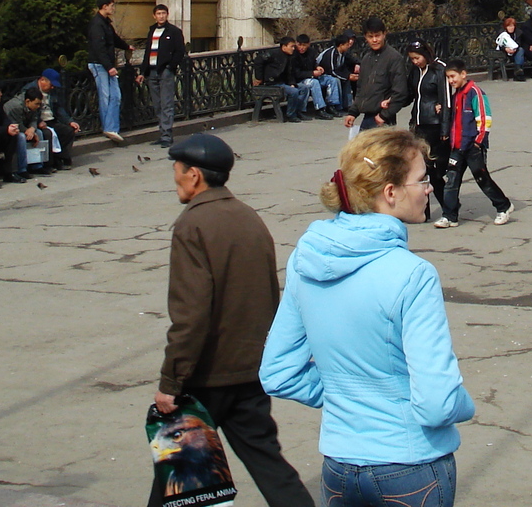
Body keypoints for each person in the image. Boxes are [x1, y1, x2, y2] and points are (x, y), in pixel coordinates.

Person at [261, 130, 474, 507]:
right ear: (390, 192)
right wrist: (465, 405)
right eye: (423, 179)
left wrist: (347, 397)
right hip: (411, 464)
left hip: (341, 465)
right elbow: (437, 402)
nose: (429, 188)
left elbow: (278, 371)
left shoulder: (304, 260)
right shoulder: (412, 273)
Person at [156, 134, 313, 507]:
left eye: (177, 172)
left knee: (179, 474)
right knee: (269, 463)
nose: (175, 179)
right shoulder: (247, 216)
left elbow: (191, 314)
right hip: (251, 370)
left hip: (206, 376)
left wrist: (171, 380)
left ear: (193, 175)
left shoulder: (192, 225)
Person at [436, 60, 514, 227]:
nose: (451, 81)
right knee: (451, 180)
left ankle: (503, 206)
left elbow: (484, 118)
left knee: (482, 178)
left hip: (473, 146)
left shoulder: (474, 92)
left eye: (453, 76)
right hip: (457, 146)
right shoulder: (455, 95)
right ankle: (449, 216)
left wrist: (479, 142)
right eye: (448, 78)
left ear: (463, 74)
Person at [406, 42, 452, 218]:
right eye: (412, 59)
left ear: (426, 54)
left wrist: (444, 129)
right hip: (418, 124)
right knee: (420, 170)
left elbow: (446, 100)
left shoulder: (439, 70)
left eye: (417, 58)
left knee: (436, 172)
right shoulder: (415, 71)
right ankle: (423, 211)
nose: (415, 62)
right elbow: (411, 95)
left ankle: (448, 208)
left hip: (435, 125)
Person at [344, 18, 410, 132]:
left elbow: (400, 92)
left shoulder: (394, 58)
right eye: (370, 36)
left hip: (383, 120)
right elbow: (361, 89)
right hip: (367, 118)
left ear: (384, 34)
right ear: (365, 37)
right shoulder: (366, 58)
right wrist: (353, 112)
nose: (374, 40)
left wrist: (384, 115)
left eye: (377, 35)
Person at [137, 4, 189, 147]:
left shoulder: (173, 31)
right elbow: (148, 52)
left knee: (166, 103)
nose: (161, 16)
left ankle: (167, 134)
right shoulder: (152, 30)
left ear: (167, 15)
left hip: (165, 71)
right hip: (152, 71)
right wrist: (143, 72)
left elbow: (180, 51)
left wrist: (170, 66)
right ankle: (162, 132)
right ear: (154, 16)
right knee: (157, 104)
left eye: (163, 13)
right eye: (158, 13)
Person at [87, 0, 131, 143]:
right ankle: (109, 128)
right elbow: (99, 48)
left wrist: (126, 46)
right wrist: (109, 67)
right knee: (106, 96)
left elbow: (114, 39)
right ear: (104, 6)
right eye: (111, 5)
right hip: (100, 65)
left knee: (115, 96)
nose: (113, 8)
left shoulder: (105, 23)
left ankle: (112, 128)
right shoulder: (97, 24)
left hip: (106, 65)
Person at [6, 87, 56, 176]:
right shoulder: (15, 106)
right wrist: (27, 131)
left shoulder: (34, 105)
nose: (38, 106)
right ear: (28, 101)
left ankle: (37, 165)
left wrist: (32, 129)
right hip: (13, 128)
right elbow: (16, 123)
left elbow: (35, 118)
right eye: (36, 104)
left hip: (26, 126)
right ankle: (22, 169)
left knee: (39, 133)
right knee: (21, 137)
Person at [254, 37, 306, 123]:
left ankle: (299, 111)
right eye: (291, 46)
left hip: (283, 83)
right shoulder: (273, 54)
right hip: (272, 83)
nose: (293, 49)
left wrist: (292, 83)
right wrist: (259, 78)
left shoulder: (290, 57)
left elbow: (290, 73)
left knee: (304, 88)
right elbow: (258, 60)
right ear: (284, 47)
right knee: (294, 92)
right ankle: (291, 115)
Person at [291, 35, 334, 119]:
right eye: (300, 45)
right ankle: (320, 109)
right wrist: (312, 73)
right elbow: (296, 73)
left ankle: (332, 105)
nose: (302, 48)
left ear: (308, 44)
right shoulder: (294, 54)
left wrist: (317, 67)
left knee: (332, 80)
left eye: (304, 45)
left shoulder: (311, 52)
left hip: (312, 76)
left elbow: (314, 63)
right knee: (314, 83)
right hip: (300, 80)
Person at [315, 33, 358, 112]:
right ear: (341, 45)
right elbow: (332, 71)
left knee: (346, 81)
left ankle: (347, 105)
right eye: (347, 45)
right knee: (336, 80)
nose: (348, 47)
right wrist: (347, 76)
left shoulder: (342, 54)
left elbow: (342, 67)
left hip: (333, 73)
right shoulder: (331, 53)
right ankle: (334, 105)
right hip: (323, 75)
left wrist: (349, 75)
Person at [494, 16, 526, 81]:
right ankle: (518, 73)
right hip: (504, 52)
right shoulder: (502, 33)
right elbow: (499, 44)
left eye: (512, 26)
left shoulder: (518, 33)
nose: (511, 28)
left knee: (521, 50)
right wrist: (505, 49)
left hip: (515, 52)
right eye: (509, 26)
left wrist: (514, 49)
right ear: (506, 27)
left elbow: (519, 43)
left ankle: (518, 71)